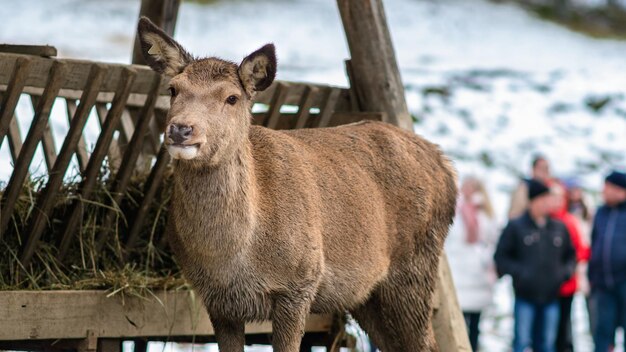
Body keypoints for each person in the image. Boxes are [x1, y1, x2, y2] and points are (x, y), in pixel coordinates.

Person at [495, 179, 577, 352]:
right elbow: (501, 257)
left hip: (551, 297)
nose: (547, 203)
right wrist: (520, 273)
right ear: (533, 200)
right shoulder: (517, 226)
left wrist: (563, 273)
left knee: (547, 344)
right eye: (543, 199)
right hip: (525, 296)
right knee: (522, 342)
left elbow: (571, 256)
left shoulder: (559, 228)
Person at [446, 176, 500, 351]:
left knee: (475, 324)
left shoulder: (485, 213)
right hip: (458, 273)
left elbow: (492, 239)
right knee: (456, 323)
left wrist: (485, 259)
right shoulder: (454, 210)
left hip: (478, 275)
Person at [588, 170, 626, 352]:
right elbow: (594, 243)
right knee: (602, 333)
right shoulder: (601, 213)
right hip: (603, 284)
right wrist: (592, 275)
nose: (604, 191)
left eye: (608, 187)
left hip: (624, 283)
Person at [550, 182, 590, 352]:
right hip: (545, 287)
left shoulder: (569, 222)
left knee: (563, 327)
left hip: (566, 285)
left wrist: (566, 271)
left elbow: (582, 251)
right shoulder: (544, 220)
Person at [509, 155, 552, 219]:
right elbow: (515, 213)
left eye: (546, 169)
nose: (544, 172)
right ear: (533, 169)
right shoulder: (524, 187)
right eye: (541, 168)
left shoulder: (549, 188)